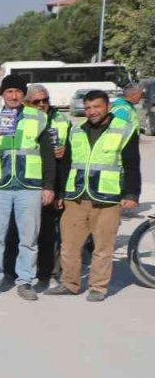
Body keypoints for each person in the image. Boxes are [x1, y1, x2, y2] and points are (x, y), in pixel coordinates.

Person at [47, 90, 141, 302]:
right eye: (88, 108)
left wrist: (131, 193)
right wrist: (62, 192)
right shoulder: (77, 130)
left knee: (103, 247)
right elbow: (67, 164)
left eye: (97, 107)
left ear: (107, 107)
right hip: (76, 197)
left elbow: (132, 164)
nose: (92, 112)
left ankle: (98, 287)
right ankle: (69, 284)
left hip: (107, 198)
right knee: (69, 246)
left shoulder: (124, 129)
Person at [0, 73, 56, 300]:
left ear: (24, 95)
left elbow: (48, 156)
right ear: (2, 94)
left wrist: (48, 186)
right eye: (9, 91)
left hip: (29, 186)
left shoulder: (38, 118)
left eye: (18, 91)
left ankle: (25, 281)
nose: (13, 95)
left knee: (28, 237)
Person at [4, 84, 72, 288]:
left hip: (52, 181)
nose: (42, 104)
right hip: (25, 182)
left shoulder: (62, 120)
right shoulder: (22, 119)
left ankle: (46, 273)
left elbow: (73, 153)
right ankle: (11, 271)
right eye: (37, 101)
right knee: (16, 231)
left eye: (45, 100)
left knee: (48, 233)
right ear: (28, 103)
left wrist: (64, 154)